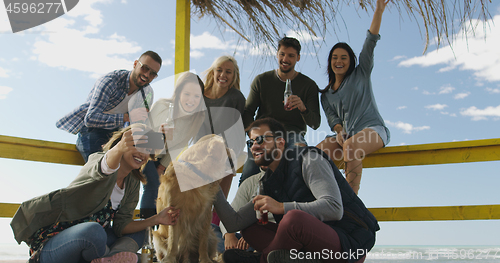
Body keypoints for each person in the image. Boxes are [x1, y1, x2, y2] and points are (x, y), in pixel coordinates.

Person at [214, 117, 379, 263]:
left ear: (280, 142)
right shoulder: (267, 182)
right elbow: (234, 222)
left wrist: (281, 207)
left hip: (348, 244)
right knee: (250, 227)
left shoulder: (309, 159)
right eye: (251, 143)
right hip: (307, 248)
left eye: (261, 140)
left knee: (293, 218)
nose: (255, 146)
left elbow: (334, 208)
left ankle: (262, 259)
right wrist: (212, 187)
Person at [11, 123, 180, 263]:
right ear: (123, 144)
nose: (142, 154)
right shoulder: (99, 160)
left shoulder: (132, 182)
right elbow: (105, 167)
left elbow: (122, 226)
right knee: (94, 231)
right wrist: (120, 147)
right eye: (137, 145)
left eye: (147, 150)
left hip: (93, 245)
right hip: (56, 245)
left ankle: (109, 258)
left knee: (143, 230)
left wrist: (157, 219)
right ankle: (112, 257)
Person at [316, 0, 391, 195]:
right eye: (335, 57)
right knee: (314, 154)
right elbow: (334, 121)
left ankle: (351, 205)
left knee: (351, 145)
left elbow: (370, 40)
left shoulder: (361, 73)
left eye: (343, 57)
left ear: (351, 61)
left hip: (373, 130)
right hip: (347, 137)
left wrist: (379, 10)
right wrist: (339, 132)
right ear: (329, 62)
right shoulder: (325, 95)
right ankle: (324, 198)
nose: (339, 61)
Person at [241, 37, 321, 185]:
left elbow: (315, 123)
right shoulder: (261, 80)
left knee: (297, 160)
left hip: (292, 134)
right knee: (250, 173)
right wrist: (254, 136)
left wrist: (303, 108)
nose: (285, 59)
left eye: (291, 56)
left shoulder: (309, 85)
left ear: (298, 58)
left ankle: (293, 204)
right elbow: (247, 111)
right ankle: (241, 206)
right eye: (282, 54)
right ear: (277, 54)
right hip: (264, 134)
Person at [56, 51, 162, 162]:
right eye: (144, 68)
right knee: (101, 168)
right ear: (135, 64)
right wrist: (127, 117)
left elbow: (137, 126)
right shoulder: (110, 81)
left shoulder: (147, 92)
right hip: (92, 131)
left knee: (137, 161)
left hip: (117, 134)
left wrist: (159, 133)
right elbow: (90, 119)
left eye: (153, 74)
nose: (147, 75)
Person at [139, 72, 206, 219]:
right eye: (187, 94)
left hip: (161, 157)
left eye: (196, 96)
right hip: (143, 150)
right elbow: (143, 139)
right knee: (152, 186)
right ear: (178, 93)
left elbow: (178, 146)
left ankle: (152, 230)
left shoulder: (196, 119)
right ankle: (144, 230)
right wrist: (159, 136)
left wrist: (162, 167)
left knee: (163, 190)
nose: (191, 100)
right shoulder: (163, 107)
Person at [197, 55, 247, 253]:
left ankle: (215, 244)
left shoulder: (236, 97)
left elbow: (238, 127)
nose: (223, 75)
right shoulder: (200, 95)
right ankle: (199, 240)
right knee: (201, 201)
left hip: (228, 153)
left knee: (220, 202)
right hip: (202, 152)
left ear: (234, 76)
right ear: (213, 71)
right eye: (220, 70)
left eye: (228, 72)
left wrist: (230, 156)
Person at [220, 172, 274, 252]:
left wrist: (253, 234)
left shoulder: (291, 179)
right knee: (209, 231)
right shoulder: (250, 182)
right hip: (245, 238)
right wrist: (229, 235)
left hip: (272, 235)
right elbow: (230, 213)